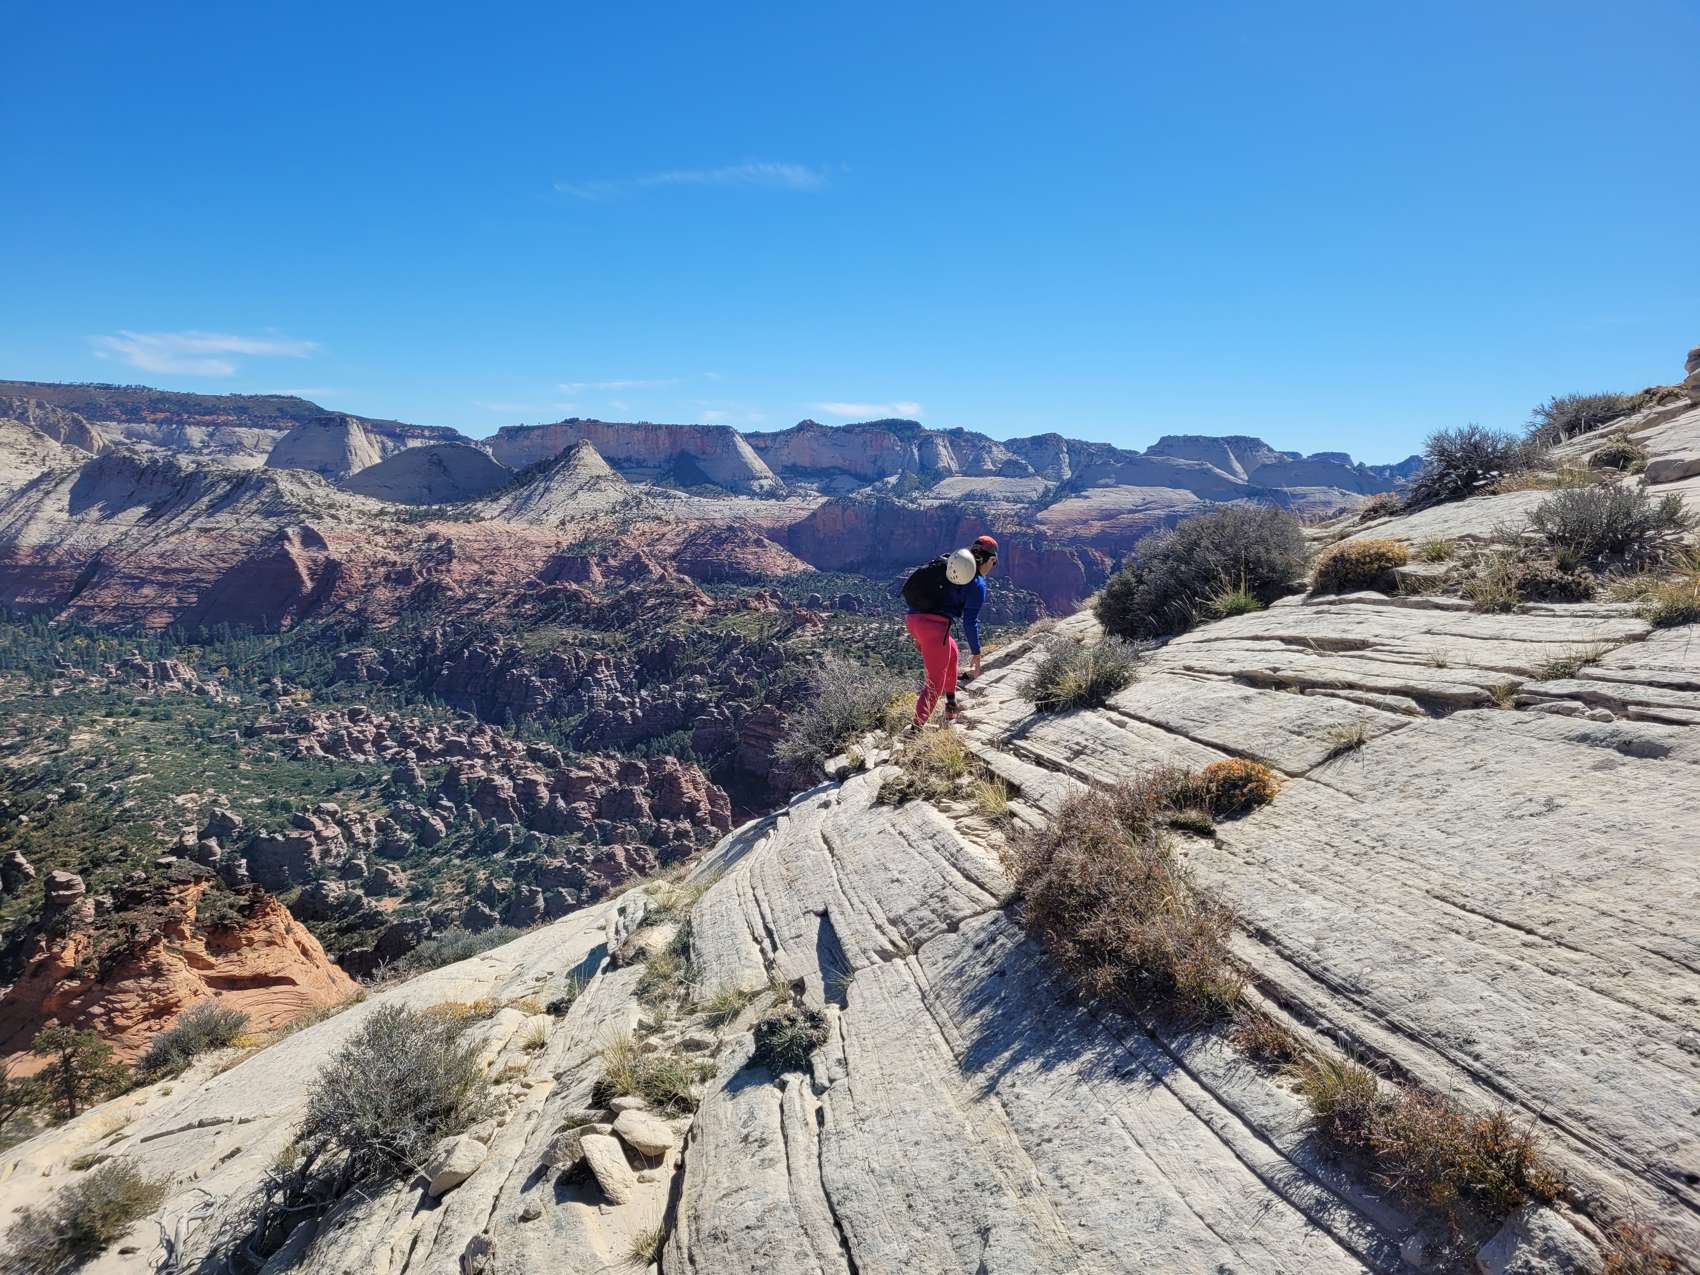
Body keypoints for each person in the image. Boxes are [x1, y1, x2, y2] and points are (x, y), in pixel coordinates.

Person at [900, 534, 998, 729]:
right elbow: (970, 622)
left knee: (952, 653)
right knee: (934, 683)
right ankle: (915, 730)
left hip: (913, 620)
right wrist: (976, 652)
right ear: (991, 560)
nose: (992, 567)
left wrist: (920, 637)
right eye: (994, 563)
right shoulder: (978, 584)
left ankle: (951, 705)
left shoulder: (951, 562)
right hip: (934, 630)